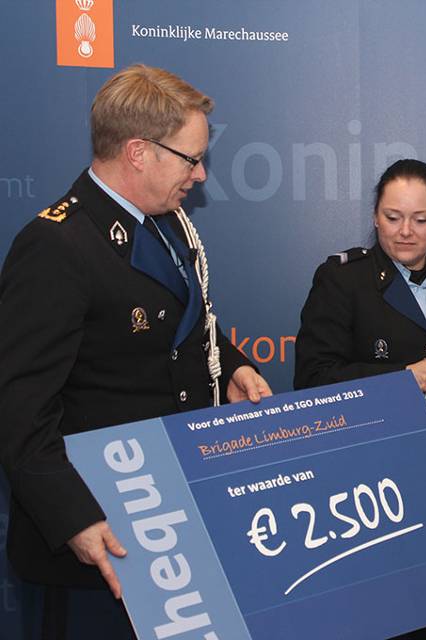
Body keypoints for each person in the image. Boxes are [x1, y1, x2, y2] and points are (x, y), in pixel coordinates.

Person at [0, 64, 272, 638]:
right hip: (96, 547)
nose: (200, 174)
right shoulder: (56, 245)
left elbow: (179, 322)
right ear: (139, 152)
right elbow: (19, 406)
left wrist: (231, 365)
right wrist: (74, 519)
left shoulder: (167, 225)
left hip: (173, 523)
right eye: (191, 159)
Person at [294, 158, 426, 639]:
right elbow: (312, 381)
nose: (406, 232)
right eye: (393, 218)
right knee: (376, 621)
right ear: (375, 217)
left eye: (420, 219)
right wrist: (400, 381)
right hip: (365, 490)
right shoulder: (342, 279)